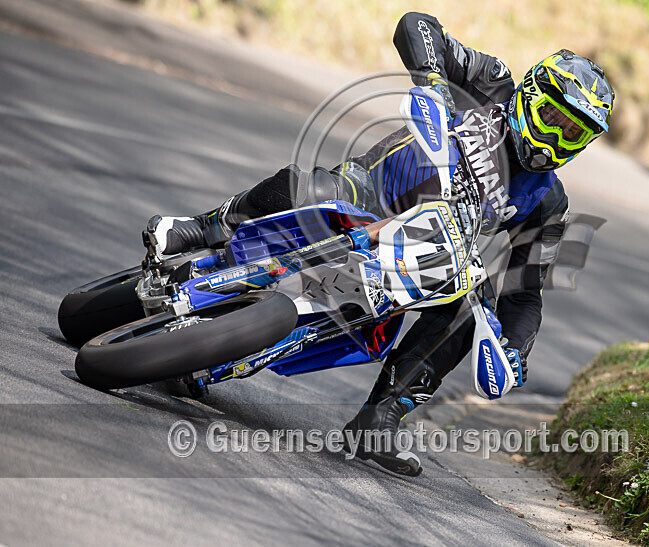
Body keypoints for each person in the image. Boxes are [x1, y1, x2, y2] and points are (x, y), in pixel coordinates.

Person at [147, 12, 614, 476]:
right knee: (302, 186)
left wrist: (513, 349)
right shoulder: (491, 82)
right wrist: (432, 82)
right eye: (554, 118)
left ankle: (382, 415)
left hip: (427, 250)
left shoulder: (549, 201)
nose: (558, 138)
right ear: (532, 94)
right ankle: (208, 227)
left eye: (575, 133)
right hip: (370, 192)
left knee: (474, 309)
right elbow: (417, 26)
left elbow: (525, 290)